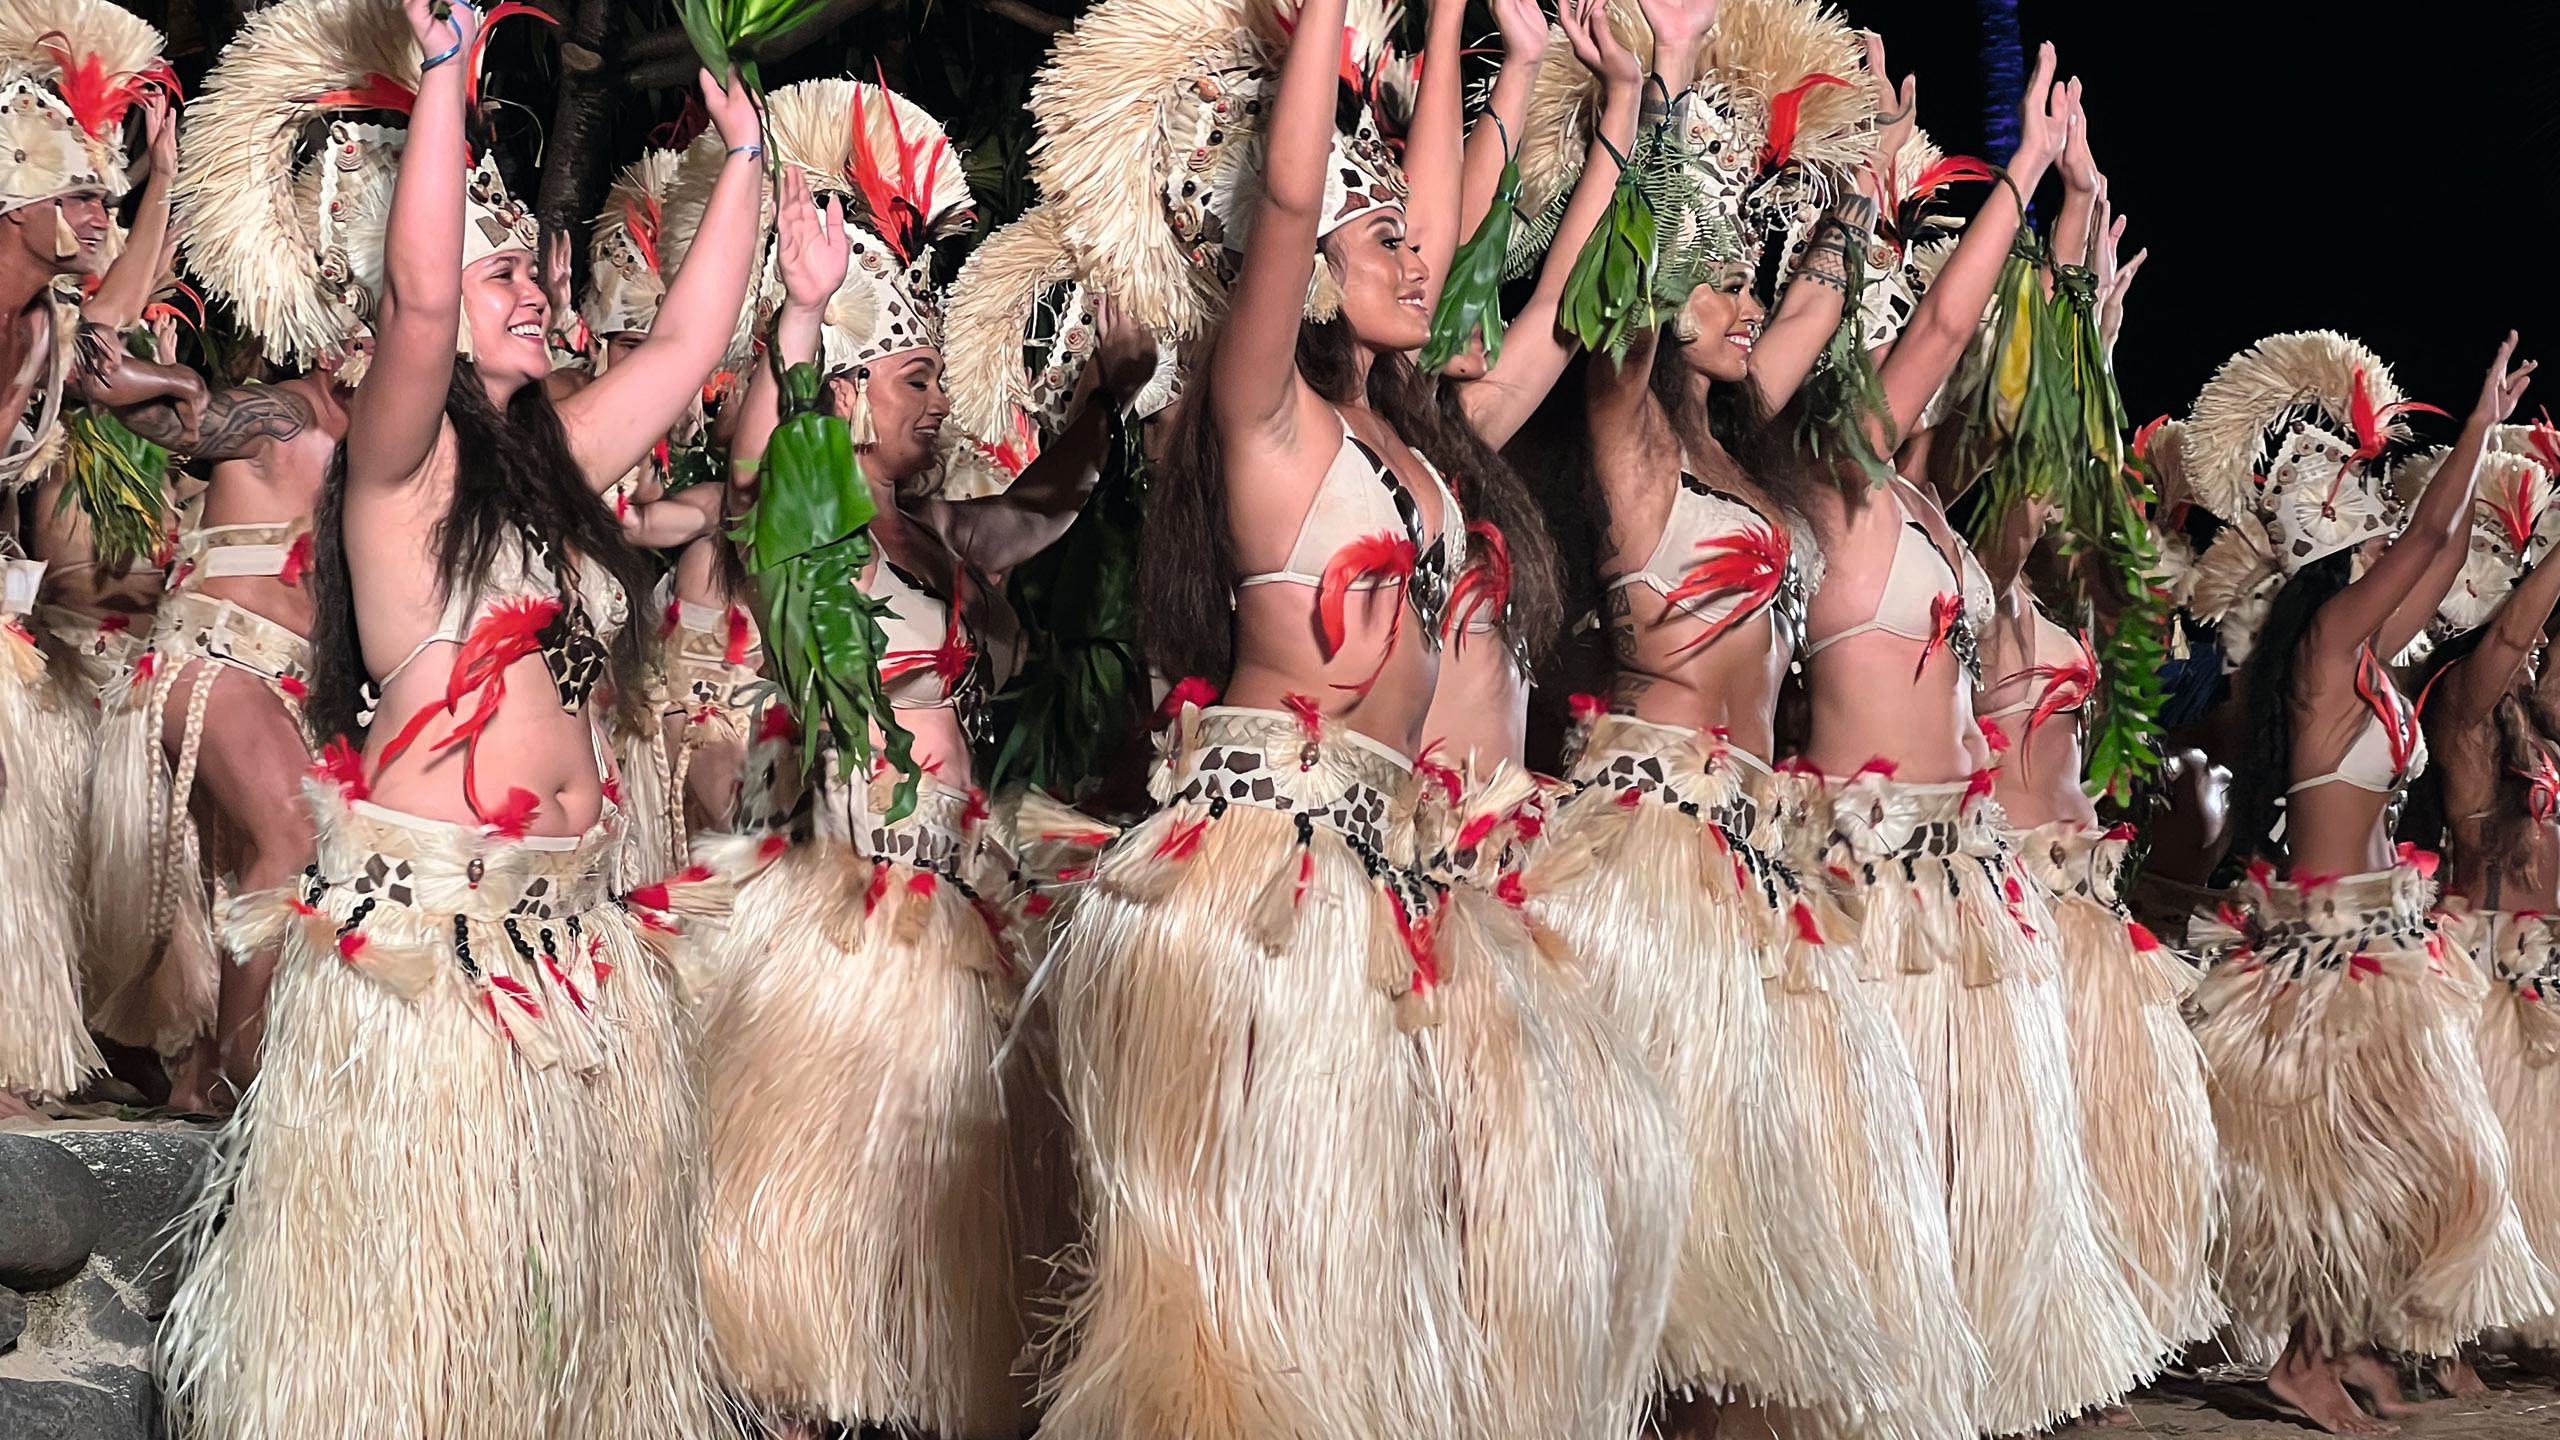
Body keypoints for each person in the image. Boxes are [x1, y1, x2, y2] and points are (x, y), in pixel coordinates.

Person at [157, 0, 761, 1433]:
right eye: (505, 274)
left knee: (551, 1338)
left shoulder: (556, 464)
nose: (529, 291)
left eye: (526, 274)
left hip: (570, 932)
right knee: (435, 1361)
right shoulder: (395, 466)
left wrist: (744, 165)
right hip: (435, 952)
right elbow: (422, 303)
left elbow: (682, 354)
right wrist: (444, 78)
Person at [1027, 0, 1553, 1428]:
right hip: (1274, 868)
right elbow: (1284, 202)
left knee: (1398, 1233)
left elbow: (1449, 216)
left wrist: (1481, 50)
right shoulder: (1262, 416)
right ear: (1303, 269)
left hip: (1392, 859)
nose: (1414, 250)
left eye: (1409, 232)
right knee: (1274, 1241)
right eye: (1374, 235)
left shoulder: (1409, 439)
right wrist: (1322, 25)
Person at [1794, 41, 2170, 1435]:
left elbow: (2009, 387)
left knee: (1962, 1185)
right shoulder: (1826, 475)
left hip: (1958, 884)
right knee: (1891, 1198)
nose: (1912, 331)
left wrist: (2072, 258)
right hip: (1872, 888)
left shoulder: (1925, 501)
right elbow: (1952, 337)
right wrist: (2008, 177)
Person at [692, 76, 1059, 1440]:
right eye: (915, 378)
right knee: (814, 1300)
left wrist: (1109, 399)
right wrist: (793, 315)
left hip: (960, 909)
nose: (938, 401)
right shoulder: (816, 532)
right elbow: (755, 471)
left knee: (923, 1284)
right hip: (857, 919)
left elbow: (1036, 518)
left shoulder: (924, 538)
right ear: (847, 390)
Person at [2186, 329, 2550, 1434]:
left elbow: (2438, 561)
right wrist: (2478, 424)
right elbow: (2435, 540)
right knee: (2356, 1175)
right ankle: (2304, 1359)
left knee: (2423, 1168)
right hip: (2326, 954)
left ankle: (2335, 1347)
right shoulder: (2321, 648)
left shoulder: (2357, 661)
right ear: (2337, 557)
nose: (2393, 540)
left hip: (2380, 945)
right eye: (2372, 531)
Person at [0, 0, 182, 1118]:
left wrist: (160, 180)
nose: (93, 210)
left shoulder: (43, 327)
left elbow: (120, 305)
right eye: (75, 193)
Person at [2398, 425, 2560, 1380]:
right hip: (2492, 968)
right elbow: (2507, 635)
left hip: (2548, 969)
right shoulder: (2463, 714)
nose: (2535, 654)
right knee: (2483, 1174)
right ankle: (2442, 1332)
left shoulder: (2537, 729)